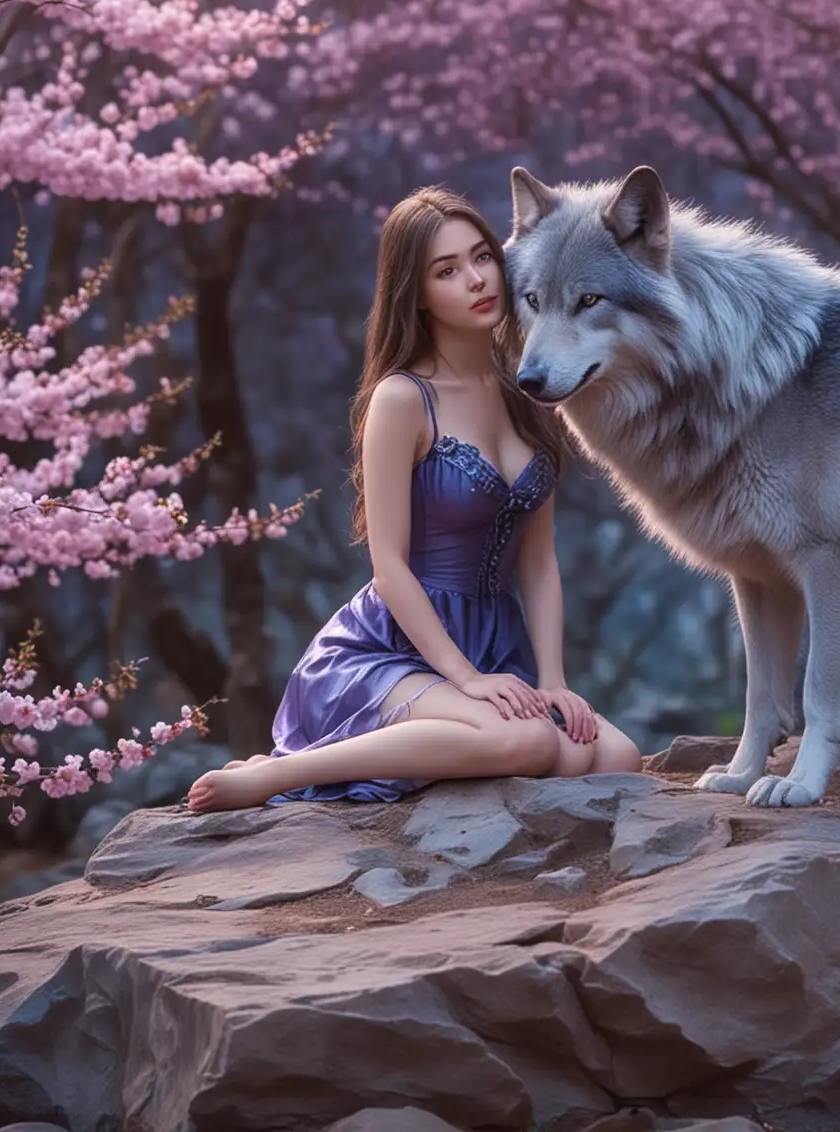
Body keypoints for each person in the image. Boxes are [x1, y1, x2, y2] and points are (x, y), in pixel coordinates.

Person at [185, 187, 643, 812]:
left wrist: (554, 680)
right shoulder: (402, 399)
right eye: (447, 271)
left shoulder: (527, 386)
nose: (478, 280)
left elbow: (538, 563)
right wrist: (467, 679)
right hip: (389, 649)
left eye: (483, 257)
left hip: (494, 640)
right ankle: (276, 774)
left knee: (615, 757)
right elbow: (389, 566)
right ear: (416, 292)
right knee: (533, 745)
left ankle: (455, 745)